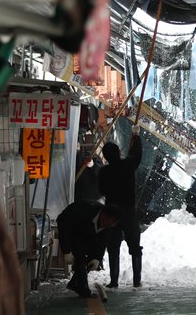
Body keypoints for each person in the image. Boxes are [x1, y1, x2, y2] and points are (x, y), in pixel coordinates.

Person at [98, 124, 143, 288]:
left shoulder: (104, 172)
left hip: (112, 214)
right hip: (129, 211)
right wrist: (136, 136)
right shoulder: (128, 166)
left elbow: (101, 190)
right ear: (118, 153)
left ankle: (114, 280)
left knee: (113, 246)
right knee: (135, 247)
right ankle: (137, 280)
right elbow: (136, 154)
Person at [56, 202, 122, 298]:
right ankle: (83, 289)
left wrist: (97, 258)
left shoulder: (107, 225)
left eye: (110, 225)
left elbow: (102, 242)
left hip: (86, 231)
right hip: (71, 226)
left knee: (90, 259)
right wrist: (66, 251)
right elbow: (65, 229)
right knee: (80, 255)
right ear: (103, 216)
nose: (107, 226)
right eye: (107, 223)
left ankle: (74, 283)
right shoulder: (84, 213)